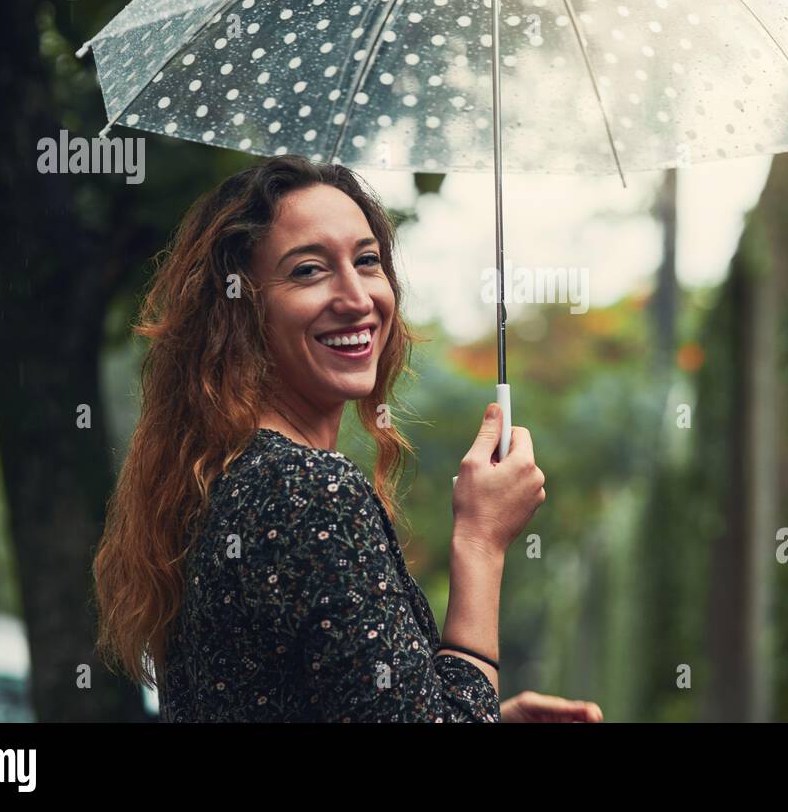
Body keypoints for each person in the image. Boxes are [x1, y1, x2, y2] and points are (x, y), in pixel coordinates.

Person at [92, 154, 602, 723]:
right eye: (308, 270)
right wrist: (481, 542)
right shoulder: (309, 490)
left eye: (367, 261)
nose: (357, 298)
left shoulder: (222, 480)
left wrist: (487, 716)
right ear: (241, 310)